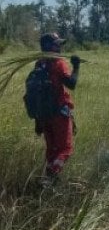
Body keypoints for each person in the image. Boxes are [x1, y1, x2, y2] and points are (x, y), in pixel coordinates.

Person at [35, 32, 80, 183]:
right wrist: (76, 66)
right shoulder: (58, 63)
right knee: (65, 150)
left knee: (52, 151)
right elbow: (71, 84)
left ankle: (50, 183)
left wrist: (37, 121)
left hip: (43, 116)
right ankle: (50, 176)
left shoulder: (39, 64)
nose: (60, 47)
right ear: (49, 47)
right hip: (59, 114)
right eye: (57, 44)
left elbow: (36, 93)